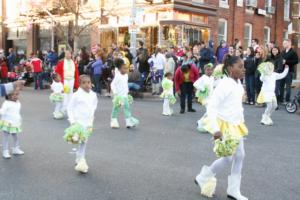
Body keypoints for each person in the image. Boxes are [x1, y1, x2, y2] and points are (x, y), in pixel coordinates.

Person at [194, 55, 248, 200]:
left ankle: (233, 190)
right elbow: (212, 106)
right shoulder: (224, 84)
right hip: (224, 125)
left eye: (243, 66)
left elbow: (237, 107)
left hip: (236, 125)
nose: (244, 69)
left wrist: (241, 122)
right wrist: (216, 128)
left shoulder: (238, 84)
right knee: (228, 158)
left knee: (240, 155)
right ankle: (203, 177)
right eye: (240, 66)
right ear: (230, 68)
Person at [64, 75, 98, 174]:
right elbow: (70, 108)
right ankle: (81, 161)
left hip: (88, 123)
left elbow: (94, 106)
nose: (87, 84)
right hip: (78, 123)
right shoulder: (76, 95)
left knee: (84, 142)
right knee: (82, 142)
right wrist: (73, 122)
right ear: (79, 84)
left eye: (89, 82)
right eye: (84, 83)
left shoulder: (93, 95)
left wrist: (91, 121)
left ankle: (79, 159)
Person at [110, 58, 139, 129]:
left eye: (126, 68)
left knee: (127, 108)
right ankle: (113, 121)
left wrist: (127, 92)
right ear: (119, 69)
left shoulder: (126, 76)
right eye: (124, 69)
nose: (126, 70)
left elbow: (125, 85)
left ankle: (128, 122)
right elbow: (113, 84)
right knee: (116, 108)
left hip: (125, 96)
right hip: (118, 96)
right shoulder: (117, 76)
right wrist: (115, 93)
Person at [0, 89, 24, 159]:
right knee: (6, 137)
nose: (15, 96)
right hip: (7, 123)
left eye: (17, 94)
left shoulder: (18, 102)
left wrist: (19, 119)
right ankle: (5, 151)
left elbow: (16, 113)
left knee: (15, 136)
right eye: (13, 95)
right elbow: (2, 111)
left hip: (15, 123)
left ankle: (16, 149)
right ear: (8, 96)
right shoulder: (6, 103)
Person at [193, 63, 214, 132]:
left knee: (210, 111)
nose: (209, 71)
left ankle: (201, 121)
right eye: (208, 70)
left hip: (212, 97)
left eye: (211, 70)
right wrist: (202, 89)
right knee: (210, 111)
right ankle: (204, 124)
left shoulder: (213, 78)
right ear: (204, 70)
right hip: (205, 98)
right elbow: (195, 84)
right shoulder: (203, 78)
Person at [280, 39, 299, 103]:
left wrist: (287, 62)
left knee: (288, 87)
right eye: (283, 43)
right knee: (281, 85)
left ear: (289, 43)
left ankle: (287, 100)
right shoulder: (283, 51)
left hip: (289, 71)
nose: (283, 44)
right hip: (282, 71)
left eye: (285, 43)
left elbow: (296, 61)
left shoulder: (293, 52)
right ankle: (281, 99)